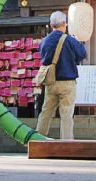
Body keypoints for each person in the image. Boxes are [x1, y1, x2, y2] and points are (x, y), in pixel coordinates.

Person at [36, 10, 86, 140]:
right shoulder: (70, 40)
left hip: (50, 81)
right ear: (64, 24)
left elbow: (43, 58)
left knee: (46, 111)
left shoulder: (44, 41)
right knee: (66, 114)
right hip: (67, 81)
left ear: (51, 24)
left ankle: (38, 139)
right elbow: (81, 54)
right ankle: (66, 142)